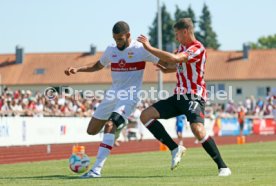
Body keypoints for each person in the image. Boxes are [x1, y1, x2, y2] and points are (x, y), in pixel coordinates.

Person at [64, 21, 182, 178]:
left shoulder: (140, 49)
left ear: (128, 35)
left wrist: (180, 66)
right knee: (91, 130)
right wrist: (78, 69)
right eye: (115, 39)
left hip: (130, 96)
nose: (117, 42)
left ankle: (96, 169)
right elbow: (97, 66)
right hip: (112, 94)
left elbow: (167, 63)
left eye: (120, 39)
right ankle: (121, 124)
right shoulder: (111, 50)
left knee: (110, 124)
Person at [137, 18, 231, 176]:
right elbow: (172, 65)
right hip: (179, 96)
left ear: (185, 32)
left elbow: (174, 59)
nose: (176, 37)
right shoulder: (182, 47)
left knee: (197, 129)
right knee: (145, 115)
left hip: (194, 96)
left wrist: (149, 47)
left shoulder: (197, 48)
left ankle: (223, 167)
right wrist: (162, 66)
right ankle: (175, 149)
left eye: (177, 34)